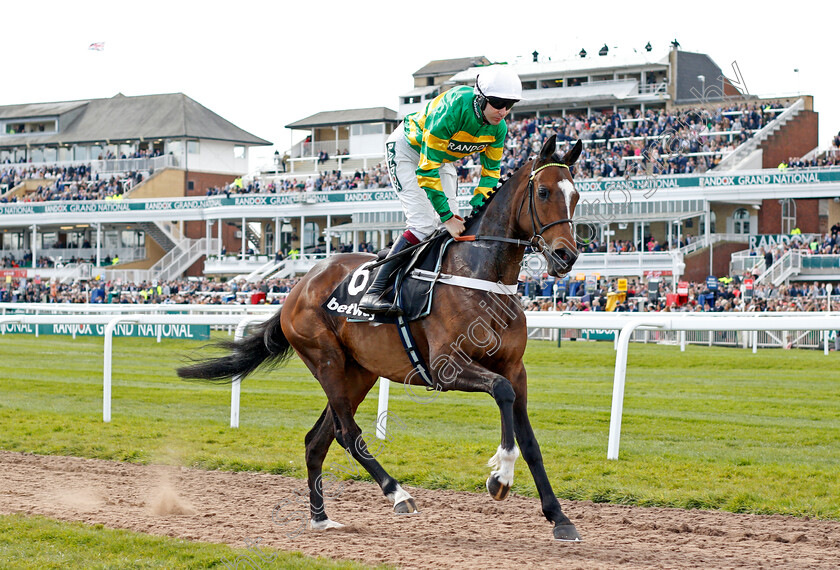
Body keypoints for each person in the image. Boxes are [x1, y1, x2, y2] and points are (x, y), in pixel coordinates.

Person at [359, 65, 522, 315]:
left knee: (451, 228)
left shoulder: (498, 128)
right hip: (407, 150)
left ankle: (406, 263)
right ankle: (374, 292)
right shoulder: (452, 108)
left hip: (440, 159)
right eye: (498, 102)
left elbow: (490, 175)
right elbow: (426, 171)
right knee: (425, 223)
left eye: (509, 104)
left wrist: (477, 210)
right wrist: (446, 217)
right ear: (481, 97)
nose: (503, 111)